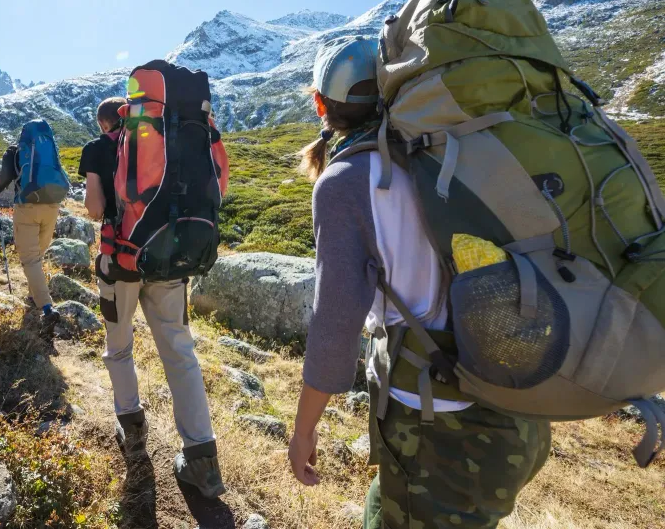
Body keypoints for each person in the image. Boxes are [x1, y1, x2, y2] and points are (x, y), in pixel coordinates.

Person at [287, 37, 550, 528]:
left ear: (321, 105)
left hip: (440, 422)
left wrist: (304, 429)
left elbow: (334, 323)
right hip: (520, 401)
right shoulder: (454, 153)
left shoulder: (346, 180)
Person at [80, 96, 226, 499]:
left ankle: (133, 432)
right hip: (171, 261)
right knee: (180, 353)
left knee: (119, 347)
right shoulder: (168, 139)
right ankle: (202, 459)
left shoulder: (98, 147)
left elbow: (94, 209)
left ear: (105, 122)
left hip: (122, 263)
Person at [0, 120, 69, 335]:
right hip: (52, 206)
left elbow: (5, 177)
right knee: (39, 254)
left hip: (27, 206)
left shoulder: (15, 151)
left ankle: (46, 307)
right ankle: (34, 295)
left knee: (30, 258)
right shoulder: (51, 149)